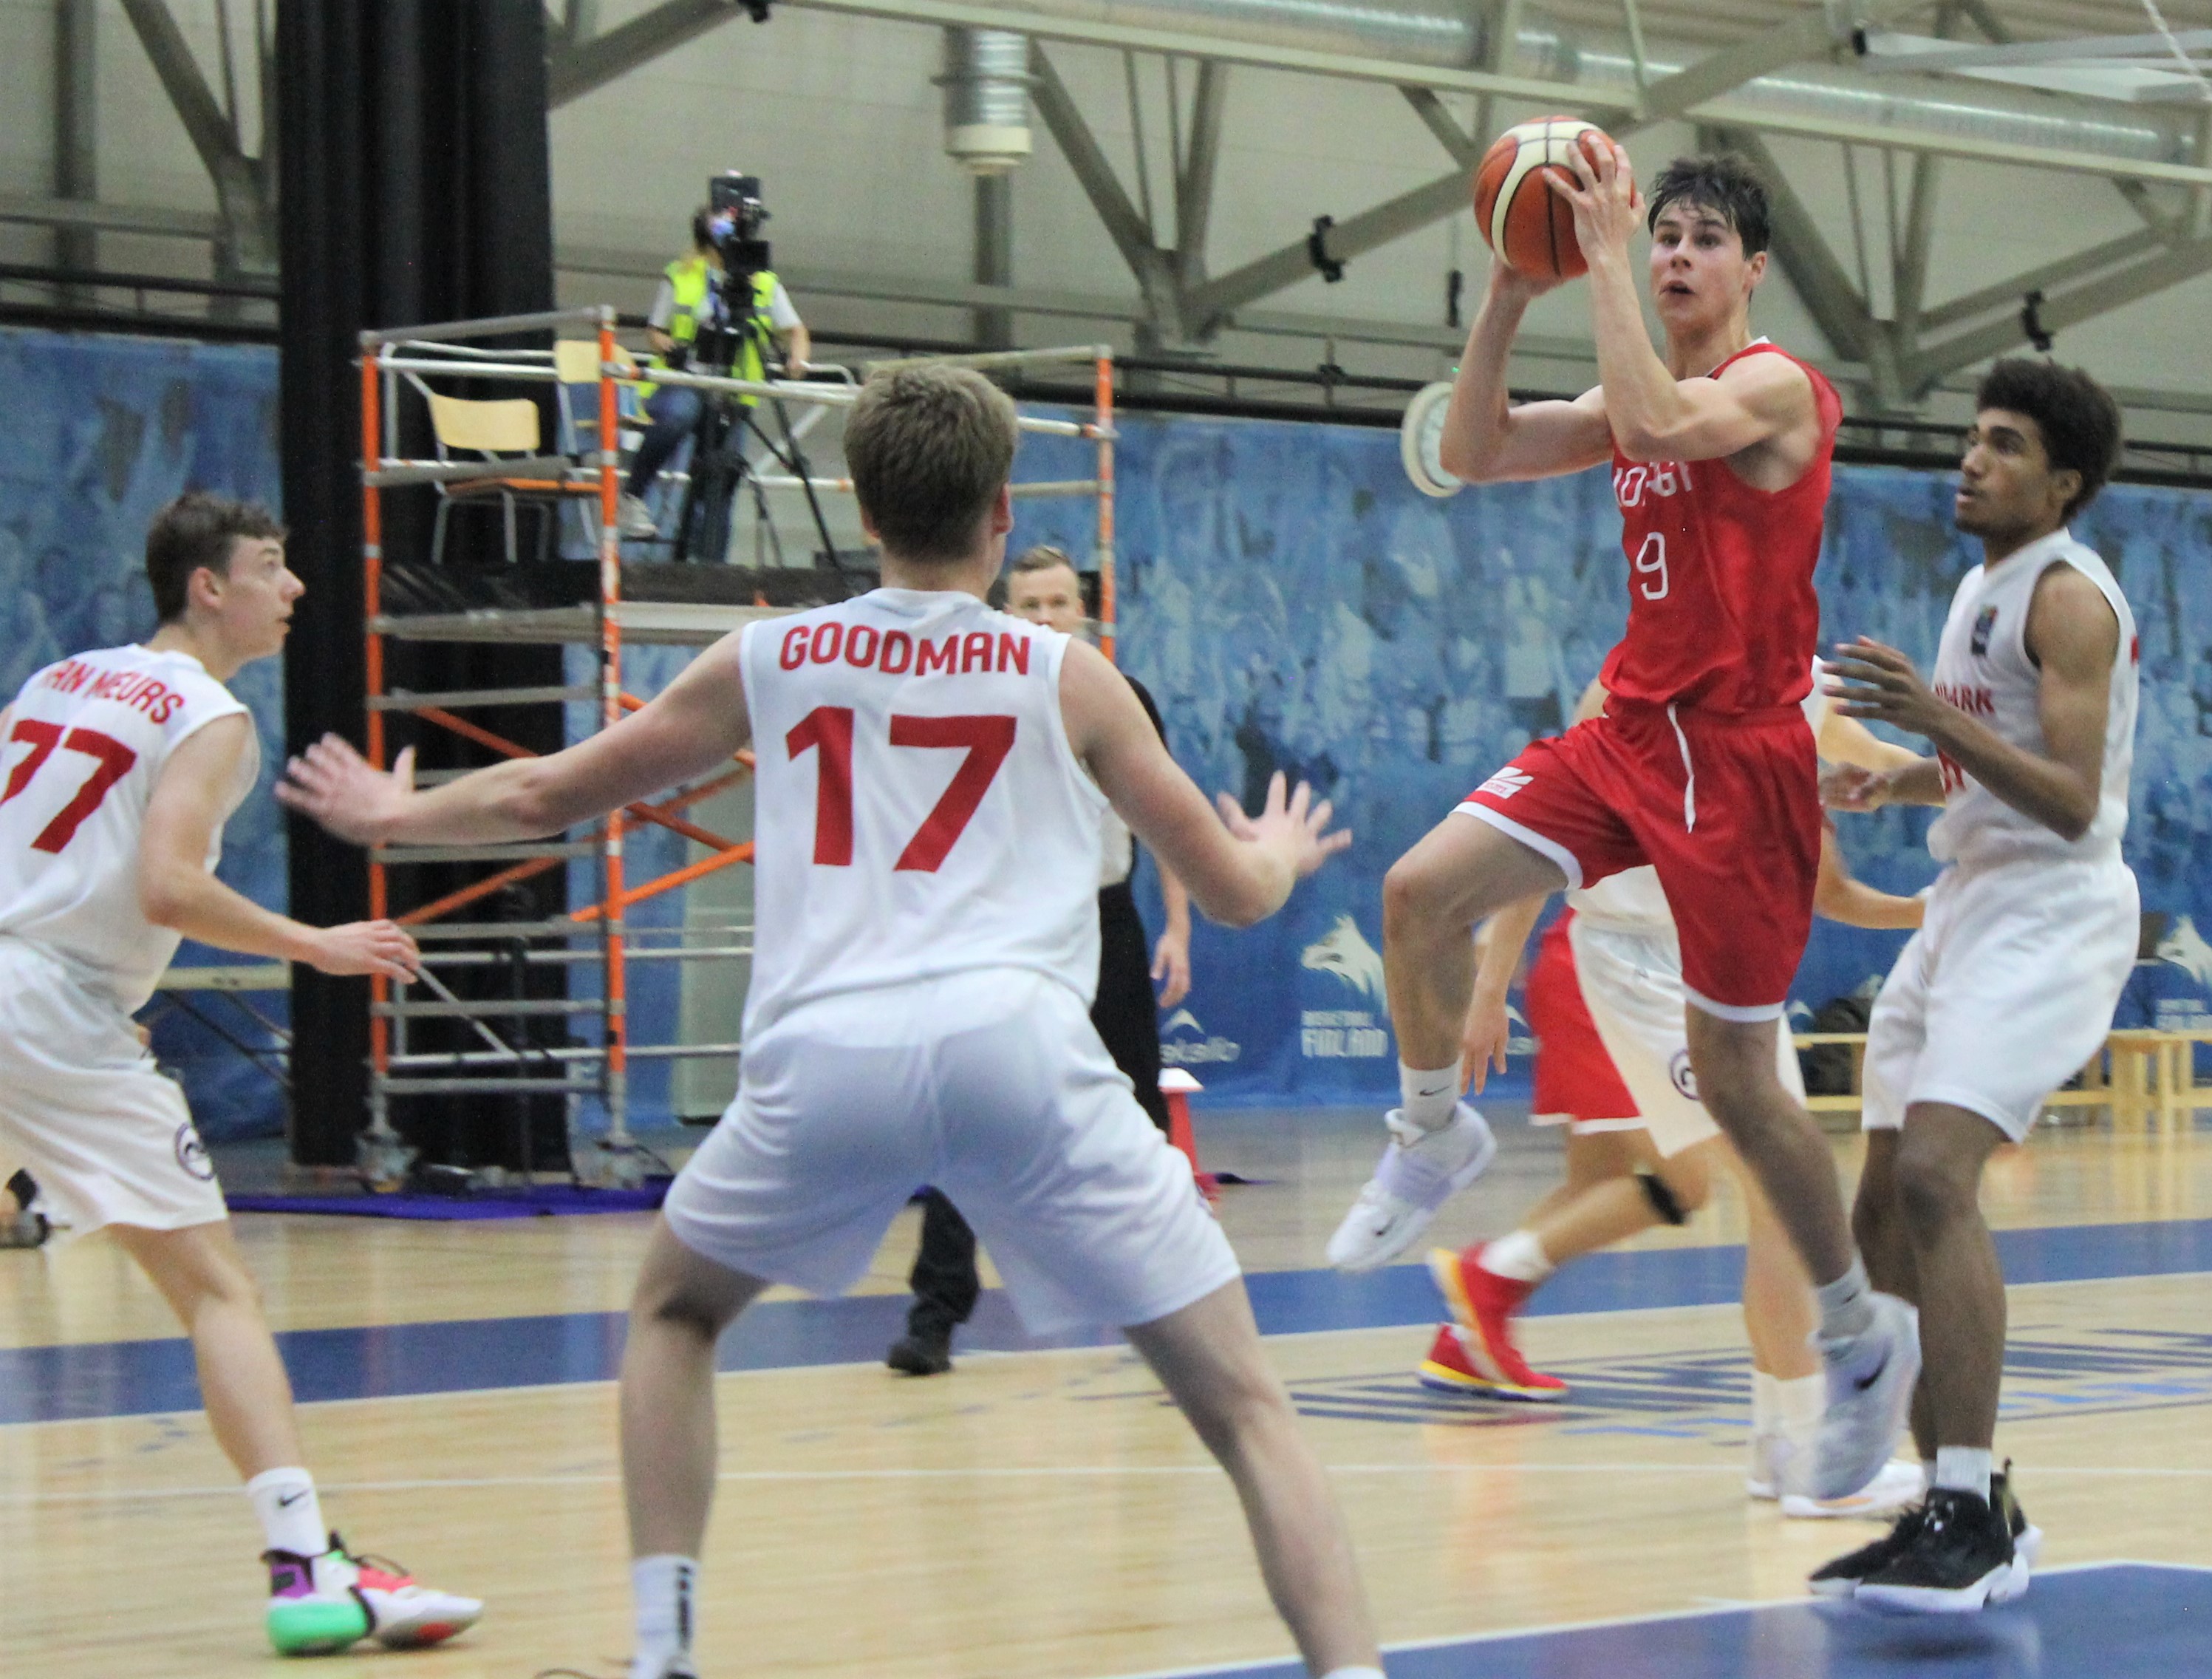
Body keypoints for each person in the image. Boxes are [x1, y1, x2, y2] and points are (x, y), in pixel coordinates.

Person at [281, 366, 1386, 1679]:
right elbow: (1231, 889)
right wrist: (1281, 853)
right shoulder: (1070, 676)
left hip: (828, 1055)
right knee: (1249, 1408)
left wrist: (394, 815)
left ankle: (664, 1656)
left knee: (677, 1316)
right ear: (999, 514)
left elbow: (545, 799)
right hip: (1017, 1051)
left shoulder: (772, 654)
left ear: (860, 508)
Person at [1325, 145, 1918, 1502]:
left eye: (1703, 239)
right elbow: (1470, 451)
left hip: (1742, 761)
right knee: (1417, 892)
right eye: (1660, 237)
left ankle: (1849, 1331)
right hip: (1628, 734)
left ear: (1752, 270)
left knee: (1749, 1098)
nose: (1671, 255)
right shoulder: (1634, 389)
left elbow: (1655, 426)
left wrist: (1590, 260)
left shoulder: (1778, 388)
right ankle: (1431, 1134)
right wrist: (1506, 294)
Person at [0, 492, 482, 1655]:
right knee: (219, 1291)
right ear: (208, 588)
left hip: (31, 987)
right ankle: (306, 1566)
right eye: (273, 566)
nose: (297, 587)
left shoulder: (58, 680)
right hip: (41, 1007)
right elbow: (167, 886)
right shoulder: (210, 716)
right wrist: (319, 946)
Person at [1418, 670, 1927, 1522]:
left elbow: (1878, 763)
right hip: (1641, 960)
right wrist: (1488, 982)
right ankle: (1809, 1449)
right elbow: (1541, 840)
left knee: (1780, 1197)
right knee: (1771, 1192)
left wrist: (1991, 787)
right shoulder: (1626, 685)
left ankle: (1784, 1444)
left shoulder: (1795, 680)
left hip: (1723, 959)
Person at [1809, 358, 2135, 1612]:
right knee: (1883, 1207)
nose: (1972, 457)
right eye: (1971, 437)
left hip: (2047, 914)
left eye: (2003, 444)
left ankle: (1963, 1508)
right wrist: (1895, 777)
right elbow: (1984, 764)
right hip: (1964, 910)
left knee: (1941, 1177)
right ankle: (1964, 1501)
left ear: (2060, 483)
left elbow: (2067, 797)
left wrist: (1931, 731)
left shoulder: (2066, 599)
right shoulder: (1980, 586)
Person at [885, 544, 1197, 1376]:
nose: (1047, 618)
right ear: (1004, 610)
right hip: (1008, 929)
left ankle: (1172, 1303)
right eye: (1031, 604)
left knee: (1139, 1120)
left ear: (1084, 612)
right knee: (971, 1118)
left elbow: (1170, 820)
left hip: (1106, 921)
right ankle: (934, 1316)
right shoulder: (973, 696)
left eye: (1060, 603)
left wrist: (1176, 928)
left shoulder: (1120, 698)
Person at [618, 204, 815, 556]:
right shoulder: (681, 274)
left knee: (721, 477)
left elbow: (795, 330)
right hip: (684, 380)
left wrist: (798, 358)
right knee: (680, 413)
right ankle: (632, 494)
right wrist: (670, 347)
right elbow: (655, 331)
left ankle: (711, 567)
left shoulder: (763, 282)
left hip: (734, 390)